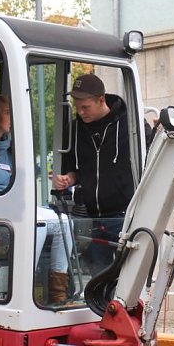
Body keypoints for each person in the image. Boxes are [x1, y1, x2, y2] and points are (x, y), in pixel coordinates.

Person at [52, 73, 135, 287]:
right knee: (98, 274)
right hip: (92, 217)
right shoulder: (74, 128)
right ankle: (103, 315)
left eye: (85, 107)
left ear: (101, 100)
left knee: (125, 276)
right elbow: (74, 168)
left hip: (124, 215)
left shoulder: (130, 124)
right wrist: (67, 179)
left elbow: (150, 153)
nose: (80, 112)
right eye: (76, 106)